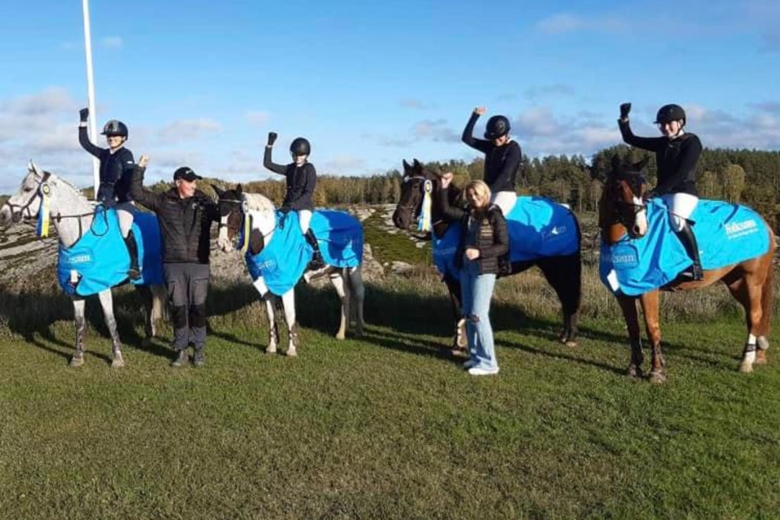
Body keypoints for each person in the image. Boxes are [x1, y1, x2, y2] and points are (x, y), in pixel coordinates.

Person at [129, 156, 220, 367]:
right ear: (178, 182)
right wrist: (140, 168)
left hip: (199, 263)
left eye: (195, 181)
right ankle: (180, 350)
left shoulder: (203, 200)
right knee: (178, 308)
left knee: (198, 307)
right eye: (190, 181)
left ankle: (198, 349)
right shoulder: (163, 201)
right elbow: (137, 192)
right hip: (172, 264)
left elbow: (222, 213)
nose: (194, 185)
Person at [618, 102, 704, 280]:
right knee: (640, 217)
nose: (665, 128)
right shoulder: (662, 143)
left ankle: (696, 265)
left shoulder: (692, 142)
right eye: (662, 125)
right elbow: (631, 139)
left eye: (669, 124)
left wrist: (657, 191)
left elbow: (682, 173)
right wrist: (624, 119)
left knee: (677, 220)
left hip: (683, 192)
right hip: (663, 193)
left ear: (680, 122)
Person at [438, 175, 509, 376]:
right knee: (468, 314)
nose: (473, 197)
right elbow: (445, 210)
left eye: (476, 193)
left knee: (478, 314)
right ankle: (476, 356)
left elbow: (504, 245)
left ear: (485, 193)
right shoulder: (468, 214)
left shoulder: (495, 215)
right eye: (470, 194)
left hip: (484, 270)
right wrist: (443, 187)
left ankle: (489, 363)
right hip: (466, 269)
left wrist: (480, 252)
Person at [78, 108, 141, 279]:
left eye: (115, 136)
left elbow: (129, 177)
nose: (111, 139)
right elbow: (86, 143)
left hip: (122, 201)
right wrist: (83, 122)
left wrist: (116, 197)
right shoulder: (104, 154)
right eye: (108, 136)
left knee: (124, 229)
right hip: (103, 200)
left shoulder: (126, 154)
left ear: (123, 138)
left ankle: (135, 265)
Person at [263, 132, 324, 271]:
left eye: (301, 155)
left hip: (303, 206)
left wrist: (293, 206)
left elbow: (308, 193)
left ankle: (317, 255)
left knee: (303, 225)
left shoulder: (310, 169)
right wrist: (269, 145)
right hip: (287, 206)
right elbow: (268, 164)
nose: (298, 157)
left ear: (306, 155)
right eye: (295, 155)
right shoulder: (289, 168)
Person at [461, 107, 522, 216]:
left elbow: (506, 175)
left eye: (500, 137)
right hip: (487, 193)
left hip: (504, 193)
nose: (497, 141)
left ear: (507, 133)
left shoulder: (513, 148)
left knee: (490, 218)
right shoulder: (490, 146)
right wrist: (475, 116)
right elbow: (467, 139)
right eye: (493, 138)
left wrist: (487, 192)